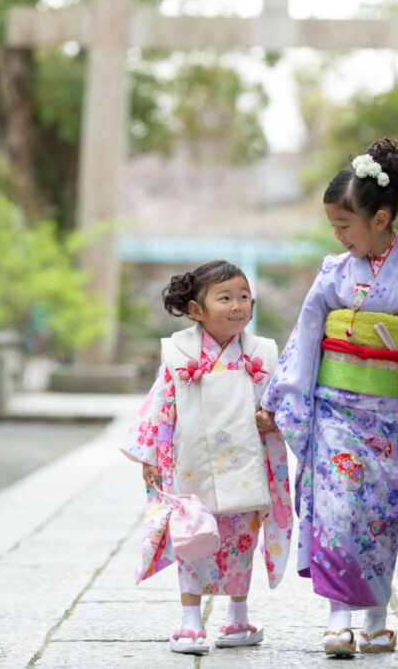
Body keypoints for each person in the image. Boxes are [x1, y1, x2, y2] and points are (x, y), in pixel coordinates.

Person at [258, 138, 398, 656]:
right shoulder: (333, 273)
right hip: (334, 410)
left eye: (344, 226)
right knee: (337, 510)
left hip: (393, 421)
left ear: (380, 220)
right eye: (334, 226)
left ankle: (376, 619)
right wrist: (280, 396)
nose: (337, 236)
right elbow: (306, 336)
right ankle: (338, 619)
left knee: (378, 516)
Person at [120, 260, 293, 656]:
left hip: (245, 465)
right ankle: (190, 622)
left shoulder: (262, 351)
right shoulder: (179, 351)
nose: (238, 306)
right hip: (192, 463)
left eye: (244, 297)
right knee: (192, 539)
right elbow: (161, 406)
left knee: (241, 541)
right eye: (225, 298)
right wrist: (150, 456)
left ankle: (237, 616)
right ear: (197, 310)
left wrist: (273, 418)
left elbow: (280, 401)